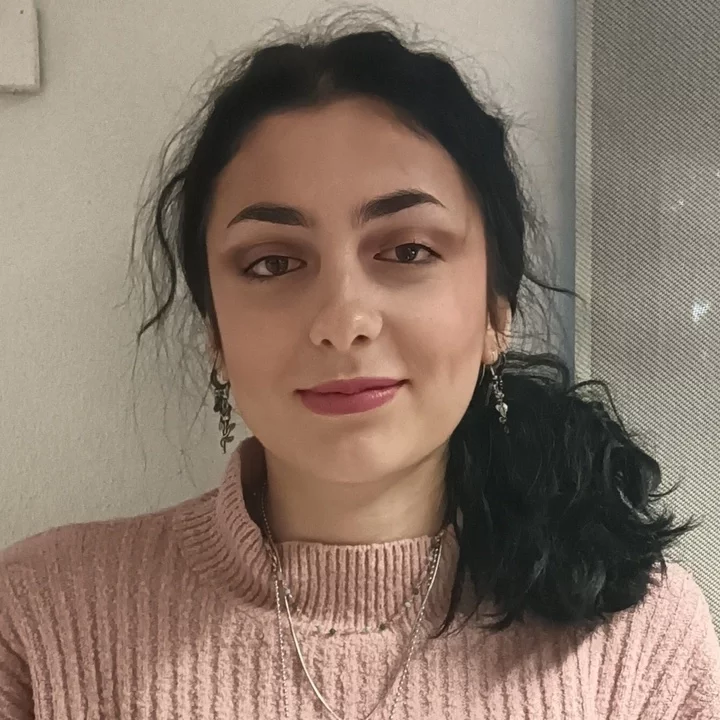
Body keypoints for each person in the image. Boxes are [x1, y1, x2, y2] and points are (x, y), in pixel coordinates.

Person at [1, 11, 719, 720]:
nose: (343, 320)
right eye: (273, 263)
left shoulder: (637, 636)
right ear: (215, 334)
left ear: (495, 315)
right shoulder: (41, 623)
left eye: (408, 251)